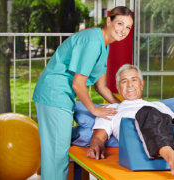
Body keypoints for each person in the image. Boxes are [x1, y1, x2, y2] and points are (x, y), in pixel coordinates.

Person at [33, 6, 133, 180]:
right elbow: (78, 84)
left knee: (56, 157)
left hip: (61, 95)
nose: (123, 30)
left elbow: (101, 87)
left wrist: (122, 105)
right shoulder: (92, 41)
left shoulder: (104, 45)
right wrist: (94, 110)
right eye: (120, 23)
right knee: (57, 159)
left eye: (128, 27)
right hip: (54, 93)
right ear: (108, 20)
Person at [87, 64, 174, 176]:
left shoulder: (158, 105)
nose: (129, 85)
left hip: (170, 135)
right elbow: (99, 137)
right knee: (148, 112)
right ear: (117, 87)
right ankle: (173, 159)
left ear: (142, 84)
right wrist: (95, 146)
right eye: (124, 81)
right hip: (144, 142)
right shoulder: (111, 109)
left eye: (134, 80)